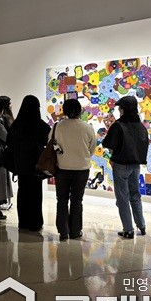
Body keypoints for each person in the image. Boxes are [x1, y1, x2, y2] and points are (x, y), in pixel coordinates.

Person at [102, 95, 149, 239]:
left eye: (120, 108)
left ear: (123, 109)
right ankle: (141, 225)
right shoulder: (141, 126)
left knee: (122, 197)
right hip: (136, 165)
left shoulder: (118, 125)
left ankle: (128, 229)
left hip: (121, 165)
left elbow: (107, 143)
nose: (119, 111)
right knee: (135, 195)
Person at [53, 99, 96, 241]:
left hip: (62, 168)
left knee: (62, 199)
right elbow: (91, 149)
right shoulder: (87, 127)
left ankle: (63, 231)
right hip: (81, 169)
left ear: (64, 111)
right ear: (80, 111)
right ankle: (75, 231)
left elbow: (51, 144)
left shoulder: (57, 127)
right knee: (77, 200)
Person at [7, 95, 51, 231]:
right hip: (36, 166)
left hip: (20, 164)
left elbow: (9, 141)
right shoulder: (39, 124)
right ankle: (35, 222)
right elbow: (48, 140)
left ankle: (23, 222)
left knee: (23, 192)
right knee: (35, 194)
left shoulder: (17, 124)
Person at [0, 95, 15, 211]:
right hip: (4, 151)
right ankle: (4, 200)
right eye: (9, 103)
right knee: (4, 177)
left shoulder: (0, 118)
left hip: (3, 150)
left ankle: (4, 200)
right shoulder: (6, 118)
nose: (11, 105)